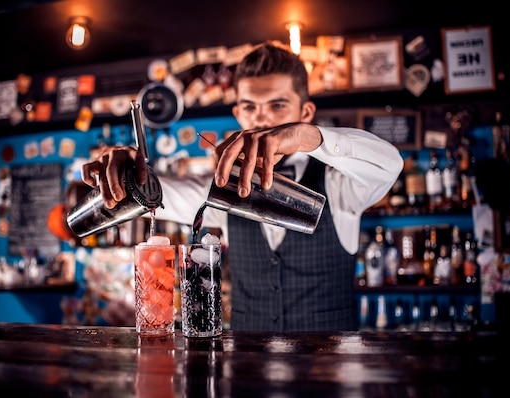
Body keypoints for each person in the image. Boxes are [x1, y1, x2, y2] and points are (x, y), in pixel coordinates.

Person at [81, 42, 404, 332]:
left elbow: (390, 164)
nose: (262, 119)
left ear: (305, 113)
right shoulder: (223, 190)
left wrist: (308, 137)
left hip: (330, 373)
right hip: (249, 369)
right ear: (237, 113)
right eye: (250, 107)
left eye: (277, 106)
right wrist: (126, 171)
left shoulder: (339, 184)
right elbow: (153, 192)